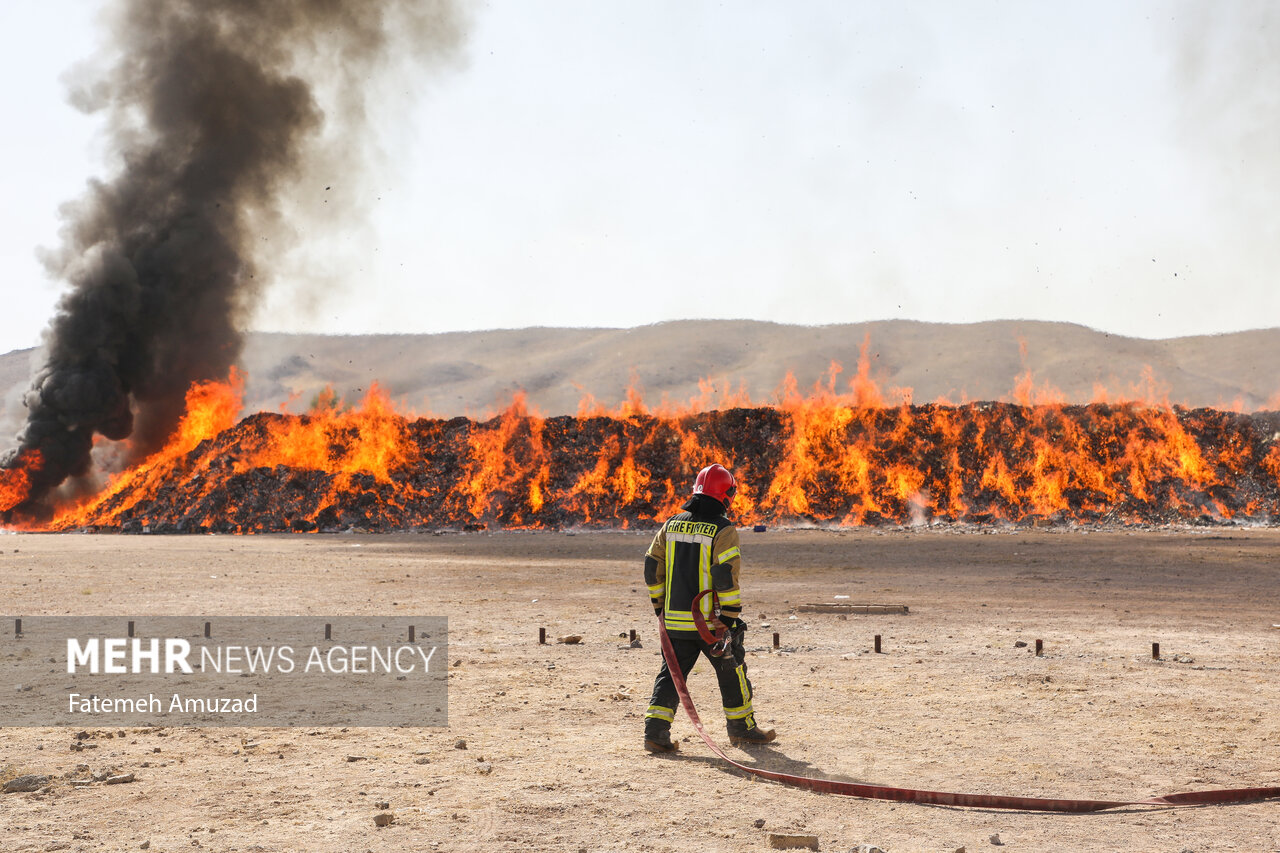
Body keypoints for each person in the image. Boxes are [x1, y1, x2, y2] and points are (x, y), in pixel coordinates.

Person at [642, 463, 777, 753]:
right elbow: (724, 575)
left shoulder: (671, 524)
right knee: (732, 670)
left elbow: (652, 566)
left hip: (676, 622)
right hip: (710, 624)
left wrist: (659, 606)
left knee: (671, 674)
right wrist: (728, 617)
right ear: (726, 495)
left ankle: (655, 733)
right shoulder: (723, 529)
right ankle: (742, 730)